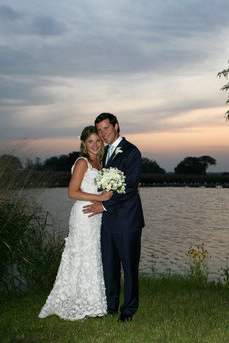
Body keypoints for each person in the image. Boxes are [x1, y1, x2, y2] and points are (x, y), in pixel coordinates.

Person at [39, 126, 112, 321]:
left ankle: (90, 303)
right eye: (90, 141)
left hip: (96, 215)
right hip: (84, 215)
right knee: (81, 256)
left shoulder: (99, 163)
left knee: (91, 256)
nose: (95, 144)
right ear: (83, 143)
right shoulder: (82, 162)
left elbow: (104, 191)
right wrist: (99, 197)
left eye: (98, 140)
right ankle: (76, 307)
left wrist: (110, 194)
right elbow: (72, 192)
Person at [83, 113, 145, 323]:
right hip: (107, 221)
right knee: (109, 266)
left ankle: (128, 310)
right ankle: (110, 306)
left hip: (127, 220)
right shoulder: (103, 152)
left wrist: (104, 205)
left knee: (129, 268)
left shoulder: (131, 152)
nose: (103, 133)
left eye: (106, 128)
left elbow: (129, 187)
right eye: (100, 130)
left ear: (116, 126)